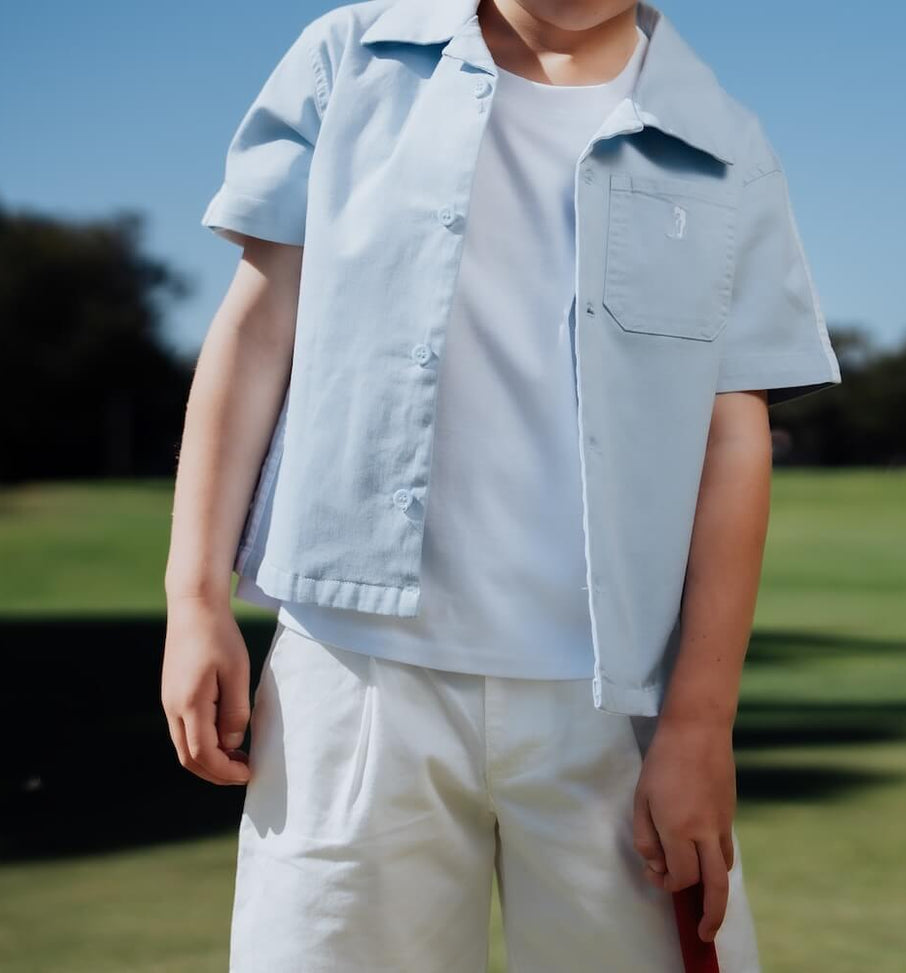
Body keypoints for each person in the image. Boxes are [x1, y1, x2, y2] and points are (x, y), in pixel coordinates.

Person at [158, 0, 840, 969]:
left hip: (618, 710)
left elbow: (732, 439)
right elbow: (258, 328)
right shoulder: (348, 59)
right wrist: (194, 596)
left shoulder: (725, 146)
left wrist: (700, 722)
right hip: (349, 681)